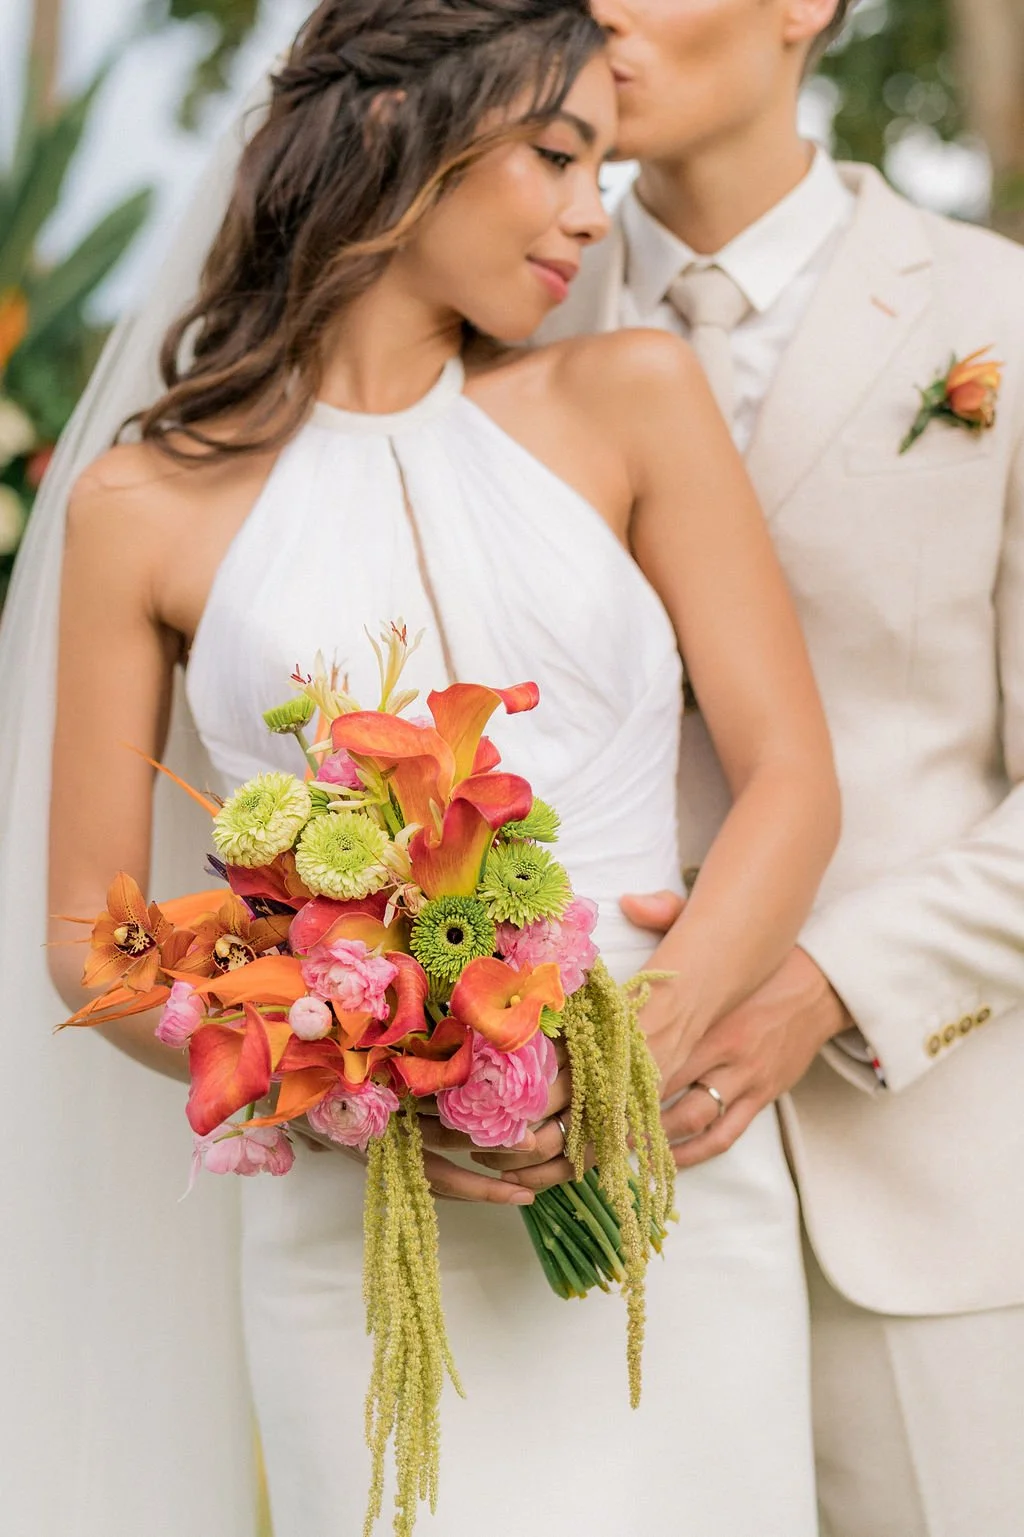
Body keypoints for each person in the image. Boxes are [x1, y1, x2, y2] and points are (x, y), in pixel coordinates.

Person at [8, 2, 842, 1533]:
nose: (596, 211)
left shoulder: (633, 397)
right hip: (360, 1229)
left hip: (671, 1187)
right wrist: (347, 1086)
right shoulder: (142, 505)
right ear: (400, 137)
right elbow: (90, 934)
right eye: (555, 154)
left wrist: (623, 1063)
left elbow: (794, 774)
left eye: (602, 164)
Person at [530, 3, 1024, 1535]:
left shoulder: (997, 312)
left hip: (924, 1195)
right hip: (560, 1206)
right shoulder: (498, 323)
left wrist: (822, 981)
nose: (602, 12)